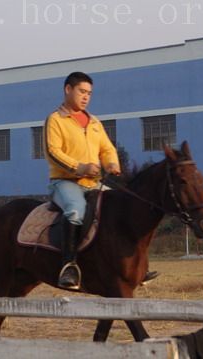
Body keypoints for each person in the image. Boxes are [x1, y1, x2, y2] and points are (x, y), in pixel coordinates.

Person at [44, 72, 158, 290]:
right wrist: (81, 167)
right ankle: (69, 266)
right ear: (68, 89)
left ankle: (137, 266)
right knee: (75, 210)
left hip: (93, 183)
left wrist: (112, 163)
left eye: (89, 93)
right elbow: (53, 152)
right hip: (65, 182)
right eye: (82, 91)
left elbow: (106, 148)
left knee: (123, 206)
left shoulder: (94, 122)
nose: (86, 97)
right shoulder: (55, 120)